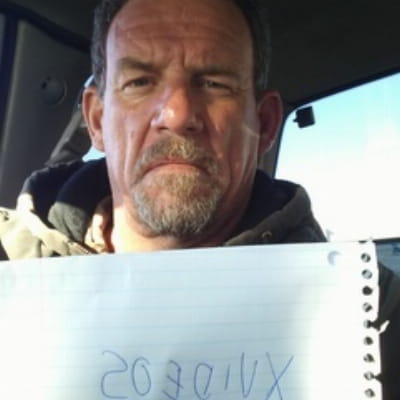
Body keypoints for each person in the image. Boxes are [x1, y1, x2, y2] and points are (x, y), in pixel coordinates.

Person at [0, 0, 398, 398]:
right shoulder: (9, 263)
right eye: (139, 82)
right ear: (97, 121)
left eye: (214, 83)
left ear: (264, 124)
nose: (177, 114)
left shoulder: (373, 316)